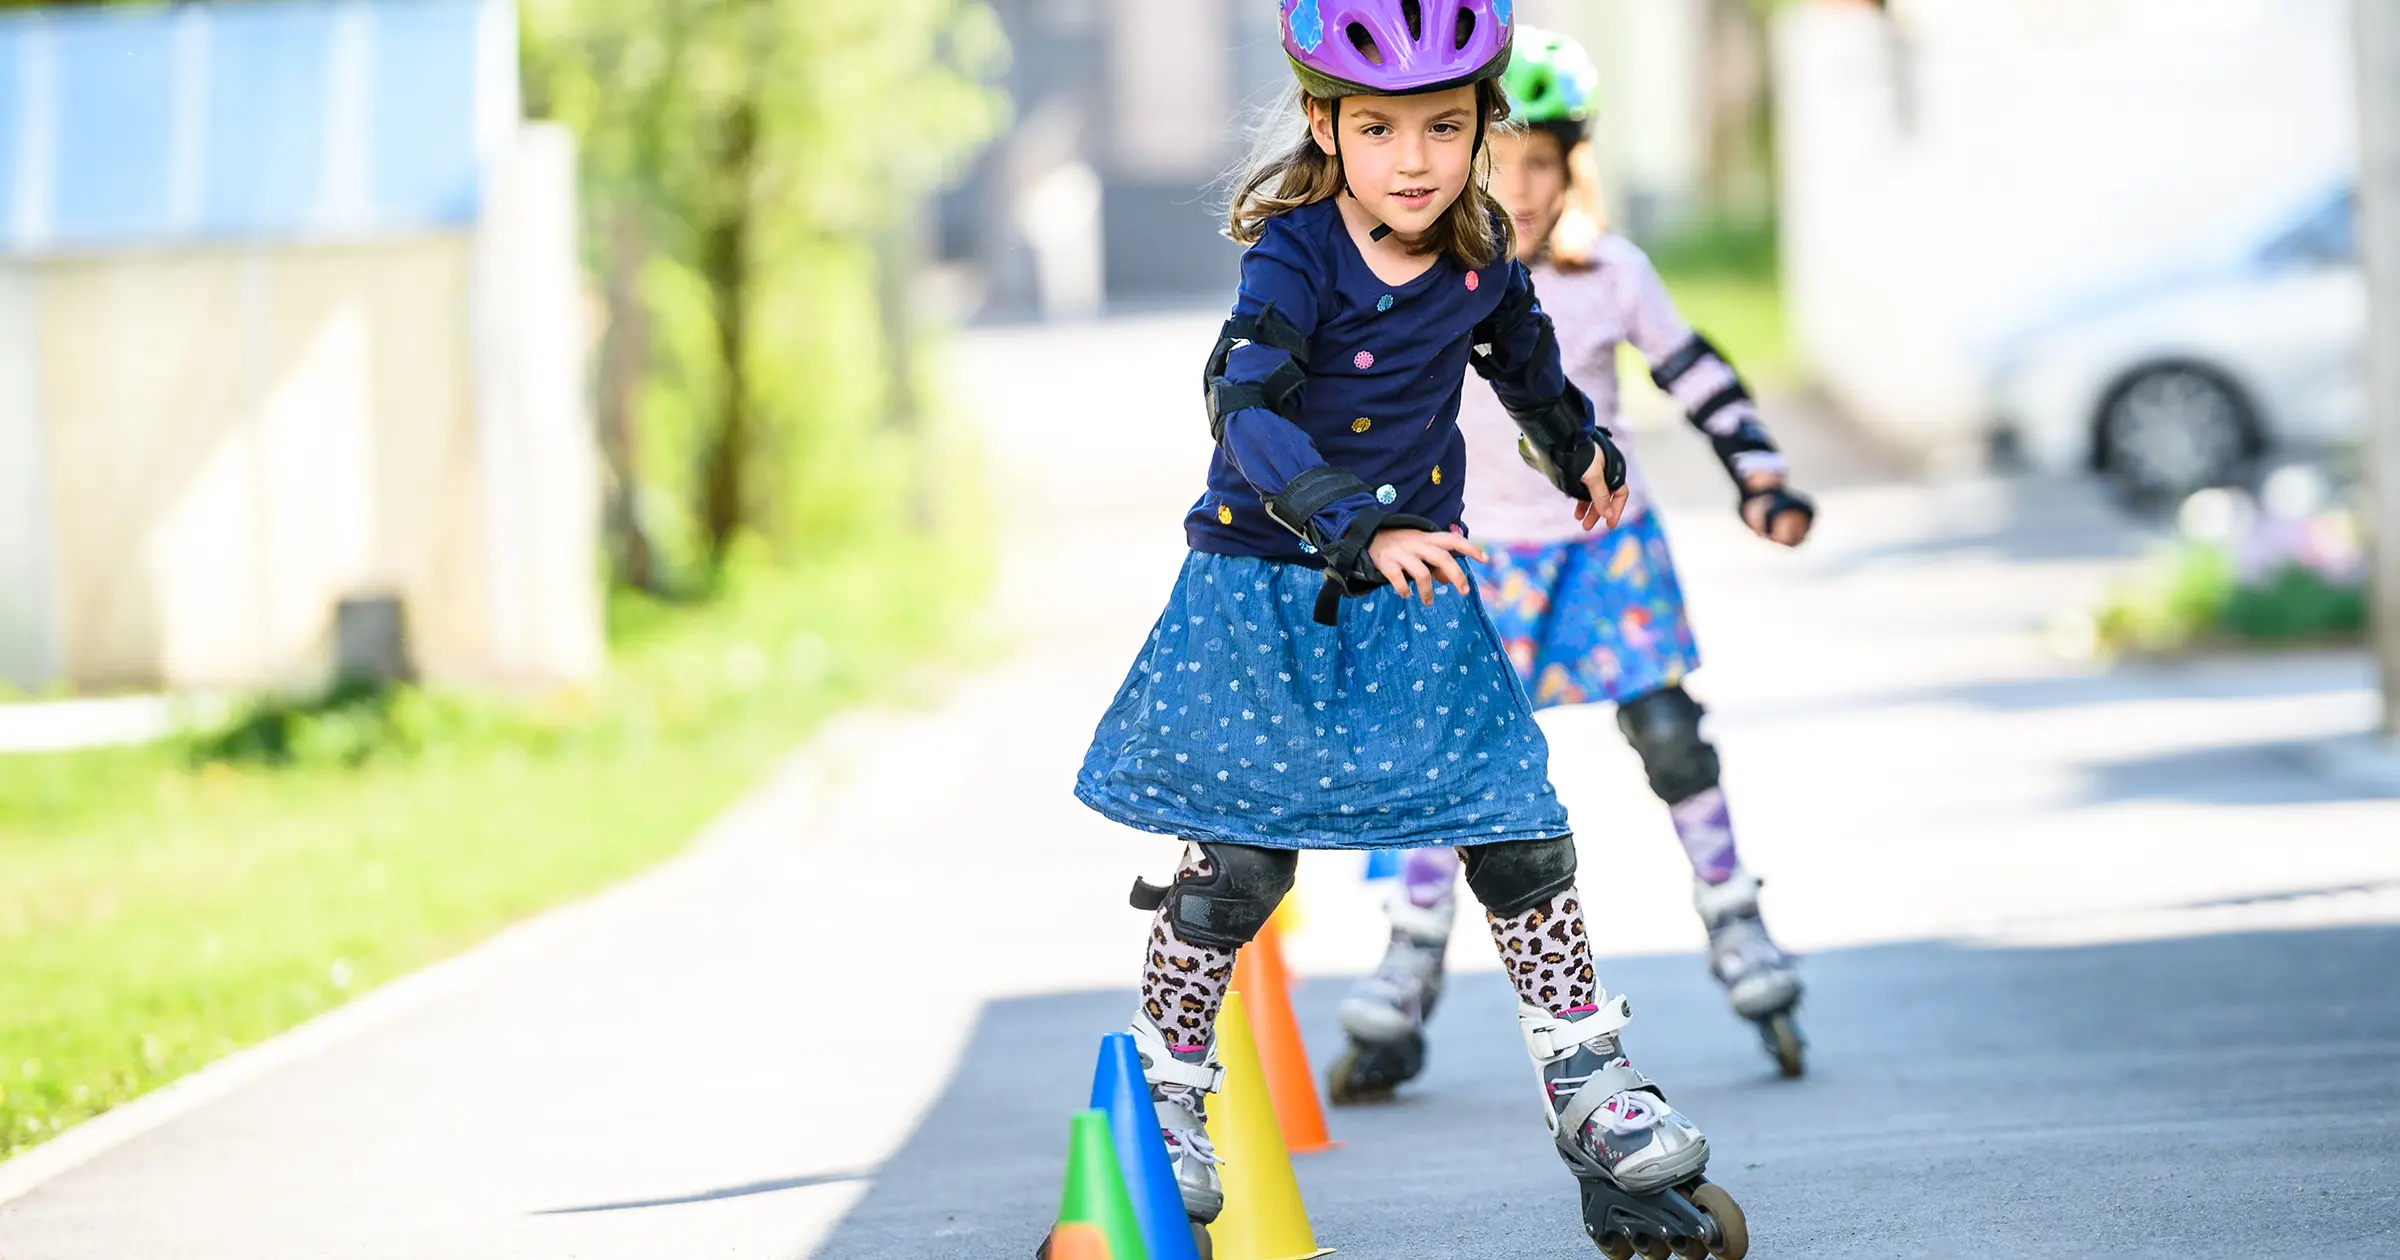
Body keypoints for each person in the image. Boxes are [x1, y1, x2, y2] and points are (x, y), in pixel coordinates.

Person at [1066, 6, 1744, 1256]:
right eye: (1378, 129)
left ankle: (1592, 1087)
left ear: (1487, 122)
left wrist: (1577, 447)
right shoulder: (1296, 253)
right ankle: (1165, 1093)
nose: (1415, 159)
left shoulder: (1483, 257)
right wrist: (1356, 523)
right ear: (1325, 126)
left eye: (1444, 125)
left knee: (1518, 827)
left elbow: (1525, 362)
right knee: (1242, 863)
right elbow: (1244, 404)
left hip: (1418, 595)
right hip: (1266, 592)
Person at [1327, 26, 1817, 1112]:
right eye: (1498, 162)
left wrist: (1761, 475)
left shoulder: (1609, 273)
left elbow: (1694, 371)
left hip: (1602, 550)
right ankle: (1409, 957)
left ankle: (1735, 917)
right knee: (1448, 761)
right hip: (1472, 555)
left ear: (1573, 167)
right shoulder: (1423, 272)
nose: (1520, 188)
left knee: (1669, 729)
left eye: (1540, 164)